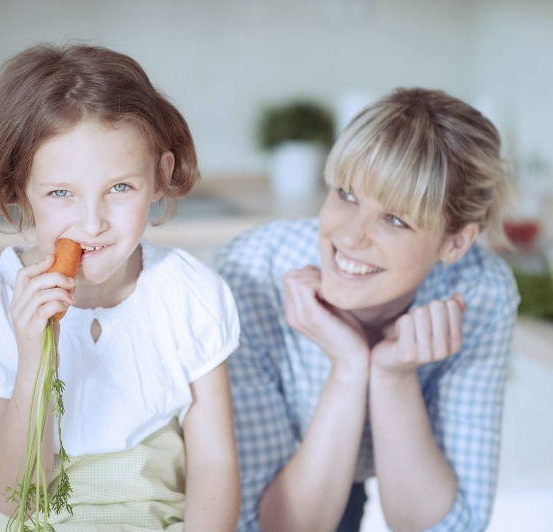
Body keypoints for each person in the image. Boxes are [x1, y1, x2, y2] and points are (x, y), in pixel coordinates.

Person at [0, 43, 240, 532]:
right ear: (22, 191)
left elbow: (214, 466)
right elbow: (14, 498)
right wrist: (34, 357)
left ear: (160, 177)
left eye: (119, 188)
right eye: (61, 193)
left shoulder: (191, 294)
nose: (92, 222)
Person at [216, 88, 520, 532]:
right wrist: (347, 366)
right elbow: (262, 526)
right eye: (346, 194)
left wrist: (393, 375)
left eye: (395, 219)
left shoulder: (480, 293)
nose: (351, 237)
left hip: (363, 479)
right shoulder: (251, 272)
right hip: (286, 483)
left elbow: (450, 526)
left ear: (455, 243)